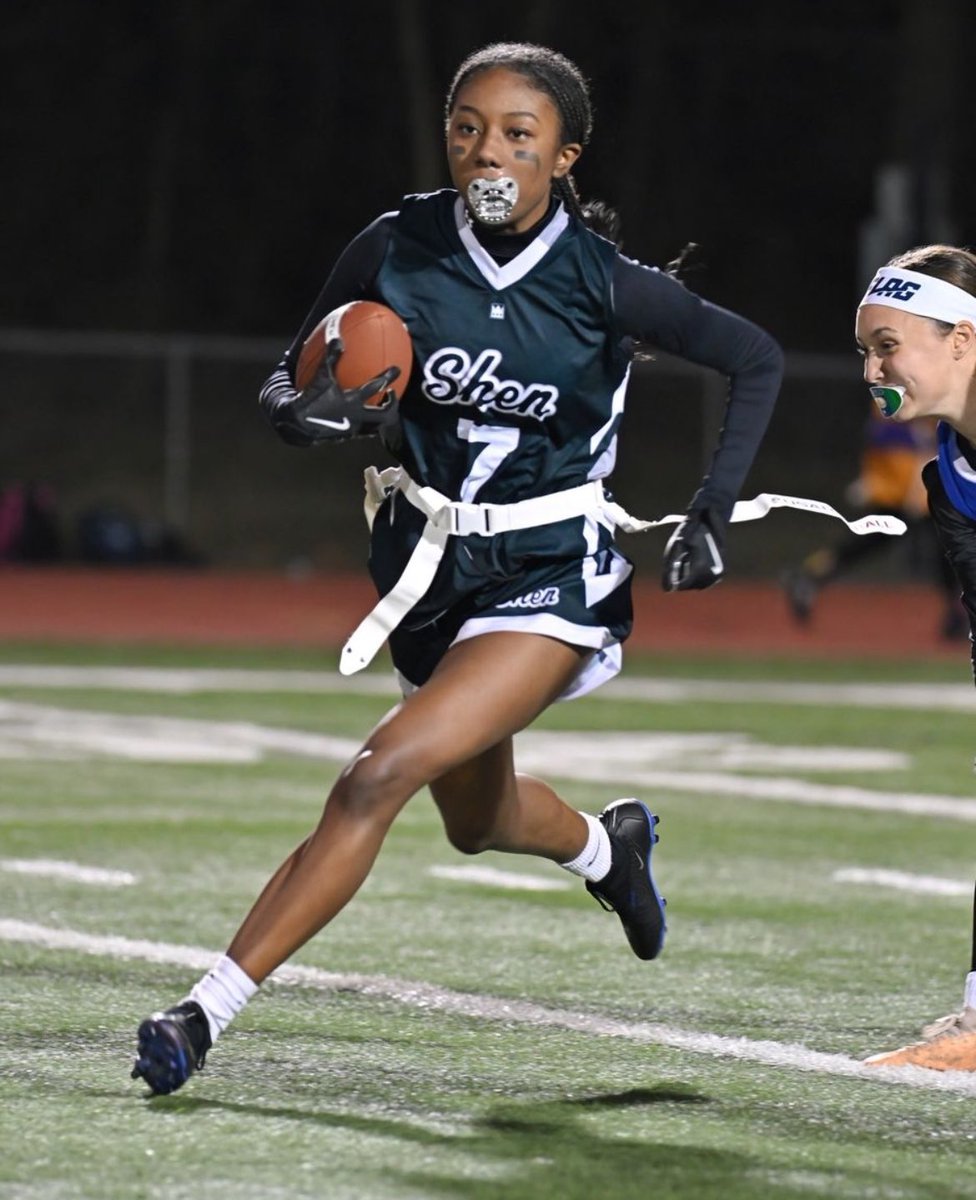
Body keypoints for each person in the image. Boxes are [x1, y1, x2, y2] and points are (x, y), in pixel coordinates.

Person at [131, 41, 783, 1095]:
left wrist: (709, 513)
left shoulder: (601, 282)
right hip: (427, 570)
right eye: (468, 128)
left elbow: (754, 357)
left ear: (564, 156)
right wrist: (303, 417)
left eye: (518, 135)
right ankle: (608, 854)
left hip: (548, 567)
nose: (489, 152)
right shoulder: (396, 242)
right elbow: (285, 376)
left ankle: (201, 1014)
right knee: (477, 822)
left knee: (376, 776)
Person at [852, 244, 976, 1071]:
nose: (872, 368)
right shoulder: (953, 479)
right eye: (866, 348)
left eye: (888, 344)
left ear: (961, 341)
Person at [781, 407, 965, 639]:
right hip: (912, 479)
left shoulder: (894, 388)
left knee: (882, 536)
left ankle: (813, 572)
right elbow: (911, 432)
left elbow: (884, 431)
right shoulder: (922, 383)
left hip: (901, 478)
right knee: (943, 543)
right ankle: (956, 611)